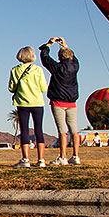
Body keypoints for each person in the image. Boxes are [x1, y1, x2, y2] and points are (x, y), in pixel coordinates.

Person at [39, 37, 82, 165]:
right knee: (74, 129)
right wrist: (64, 45)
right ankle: (76, 156)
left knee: (62, 130)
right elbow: (74, 58)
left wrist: (48, 44)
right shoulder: (75, 67)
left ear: (59, 57)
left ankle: (63, 157)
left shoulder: (56, 68)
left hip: (58, 101)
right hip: (72, 102)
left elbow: (45, 58)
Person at [8, 47, 47, 167]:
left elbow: (11, 88)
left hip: (22, 103)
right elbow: (44, 88)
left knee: (24, 130)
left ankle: (25, 159)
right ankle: (41, 159)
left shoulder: (15, 70)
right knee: (38, 130)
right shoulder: (38, 70)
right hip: (37, 102)